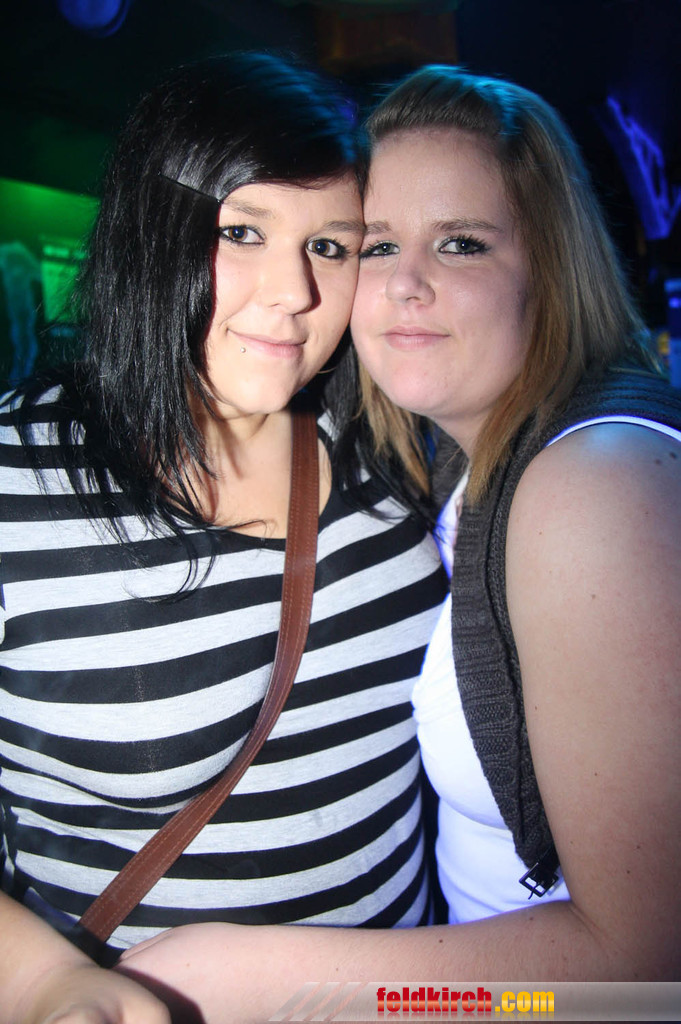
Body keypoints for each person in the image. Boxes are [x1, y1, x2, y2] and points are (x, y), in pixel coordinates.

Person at [107, 64, 680, 1018]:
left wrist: (250, 980)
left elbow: (649, 966)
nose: (406, 284)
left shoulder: (594, 484)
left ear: (548, 267)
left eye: (460, 243)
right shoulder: (445, 467)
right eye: (373, 246)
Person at [0, 54, 448, 1023]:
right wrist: (40, 984)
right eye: (241, 231)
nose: (293, 291)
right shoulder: (13, 483)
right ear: (149, 230)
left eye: (329, 246)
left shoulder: (391, 445)